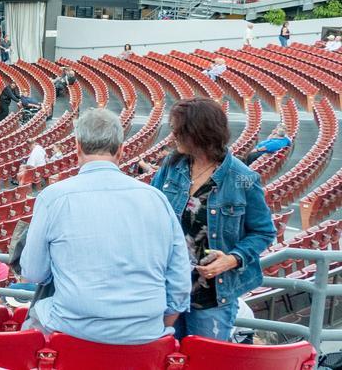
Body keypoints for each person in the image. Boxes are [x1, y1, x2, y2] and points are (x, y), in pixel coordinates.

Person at [21, 107, 191, 345]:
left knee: (25, 337)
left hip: (71, 330)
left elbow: (33, 272)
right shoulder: (156, 199)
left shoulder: (53, 197)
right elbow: (180, 282)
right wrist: (155, 326)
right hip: (145, 337)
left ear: (78, 148)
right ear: (121, 151)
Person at [152, 98, 276, 341]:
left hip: (212, 296)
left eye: (179, 130)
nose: (173, 135)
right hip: (167, 289)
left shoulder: (242, 178)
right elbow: (150, 211)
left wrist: (232, 259)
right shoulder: (171, 166)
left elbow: (263, 231)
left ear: (199, 133)